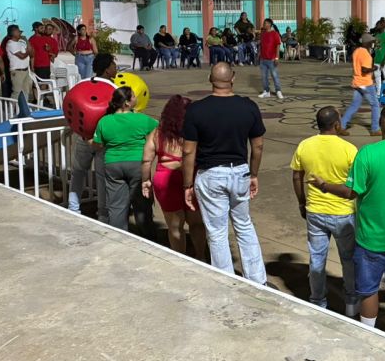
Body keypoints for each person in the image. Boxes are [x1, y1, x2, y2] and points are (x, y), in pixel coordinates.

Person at [309, 105, 385, 335]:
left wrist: (324, 186)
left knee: (368, 290)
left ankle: (368, 335)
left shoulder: (367, 154)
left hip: (371, 238)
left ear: (381, 124)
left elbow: (350, 192)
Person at [181, 63, 268, 284]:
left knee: (217, 231)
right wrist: (254, 174)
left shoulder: (196, 110)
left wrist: (187, 185)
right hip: (239, 172)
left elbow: (188, 150)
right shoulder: (248, 107)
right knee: (244, 224)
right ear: (234, 78)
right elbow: (257, 146)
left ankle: (226, 280)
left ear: (210, 78)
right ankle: (257, 279)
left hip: (210, 174)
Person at [290, 106, 359, 316]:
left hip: (315, 211)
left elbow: (296, 177)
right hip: (343, 213)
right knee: (348, 259)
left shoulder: (305, 146)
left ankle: (317, 301)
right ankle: (351, 301)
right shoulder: (349, 149)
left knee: (317, 258)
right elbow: (354, 186)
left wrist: (302, 202)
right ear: (337, 124)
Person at [142, 95, 209, 260]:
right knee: (197, 224)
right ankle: (201, 256)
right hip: (191, 176)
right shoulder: (195, 131)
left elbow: (146, 160)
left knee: (175, 226)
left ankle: (181, 258)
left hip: (165, 180)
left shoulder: (157, 134)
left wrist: (146, 180)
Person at [91, 86, 158, 231]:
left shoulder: (104, 121)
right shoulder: (142, 119)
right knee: (142, 205)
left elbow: (97, 144)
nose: (136, 98)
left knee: (116, 206)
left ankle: (119, 238)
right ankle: (148, 237)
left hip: (112, 165)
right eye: (134, 96)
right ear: (127, 103)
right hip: (137, 165)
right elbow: (159, 130)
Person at [68, 53, 119, 224]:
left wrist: (83, 133)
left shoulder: (82, 83)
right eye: (113, 64)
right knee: (102, 178)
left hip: (83, 137)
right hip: (103, 142)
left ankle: (73, 207)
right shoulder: (115, 90)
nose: (116, 67)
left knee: (78, 172)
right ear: (107, 69)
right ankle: (103, 215)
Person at [339, 33, 381, 136]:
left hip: (357, 82)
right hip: (365, 83)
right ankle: (375, 129)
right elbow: (364, 70)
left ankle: (341, 125)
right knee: (375, 105)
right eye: (371, 42)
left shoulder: (357, 51)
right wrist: (374, 68)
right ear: (367, 42)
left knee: (355, 105)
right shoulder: (365, 54)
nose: (372, 43)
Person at [4, 24, 34, 100]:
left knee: (26, 91)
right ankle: (12, 109)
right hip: (17, 71)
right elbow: (22, 56)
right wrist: (28, 51)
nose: (20, 33)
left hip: (25, 70)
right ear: (12, 33)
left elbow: (32, 53)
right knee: (16, 92)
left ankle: (24, 109)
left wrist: (26, 41)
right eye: (18, 31)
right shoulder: (10, 43)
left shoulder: (22, 42)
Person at [257, 18, 284, 99]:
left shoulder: (275, 34)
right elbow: (261, 45)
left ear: (269, 24)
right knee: (264, 77)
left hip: (272, 59)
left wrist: (277, 57)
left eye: (265, 23)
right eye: (264, 23)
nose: (263, 24)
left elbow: (278, 46)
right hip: (263, 59)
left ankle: (278, 91)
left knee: (275, 76)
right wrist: (259, 55)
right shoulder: (263, 34)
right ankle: (266, 91)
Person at [372, 18, 385, 85]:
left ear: (381, 26)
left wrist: (384, 60)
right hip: (377, 60)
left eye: (378, 25)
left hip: (384, 61)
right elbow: (376, 48)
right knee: (377, 78)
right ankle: (378, 93)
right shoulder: (377, 35)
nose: (376, 26)